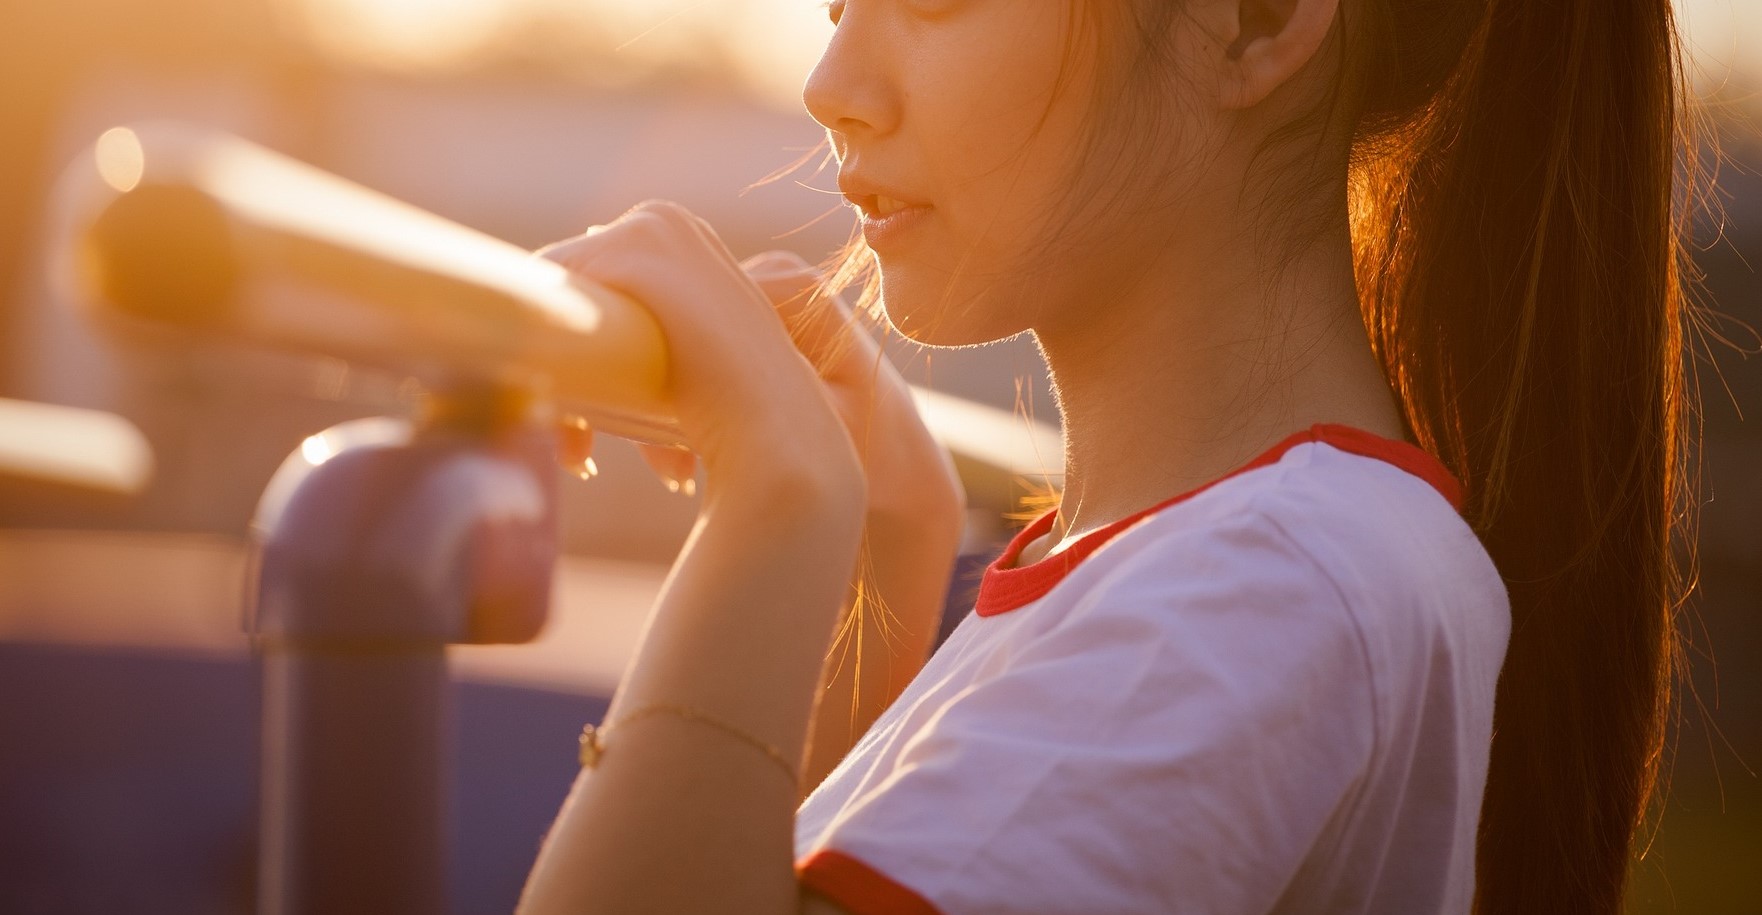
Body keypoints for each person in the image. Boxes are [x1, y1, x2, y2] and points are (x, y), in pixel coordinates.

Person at [518, 0, 1696, 912]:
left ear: (1254, 18)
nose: (831, 84)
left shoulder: (1270, 586)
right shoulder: (1262, 560)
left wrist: (774, 499)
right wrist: (889, 535)